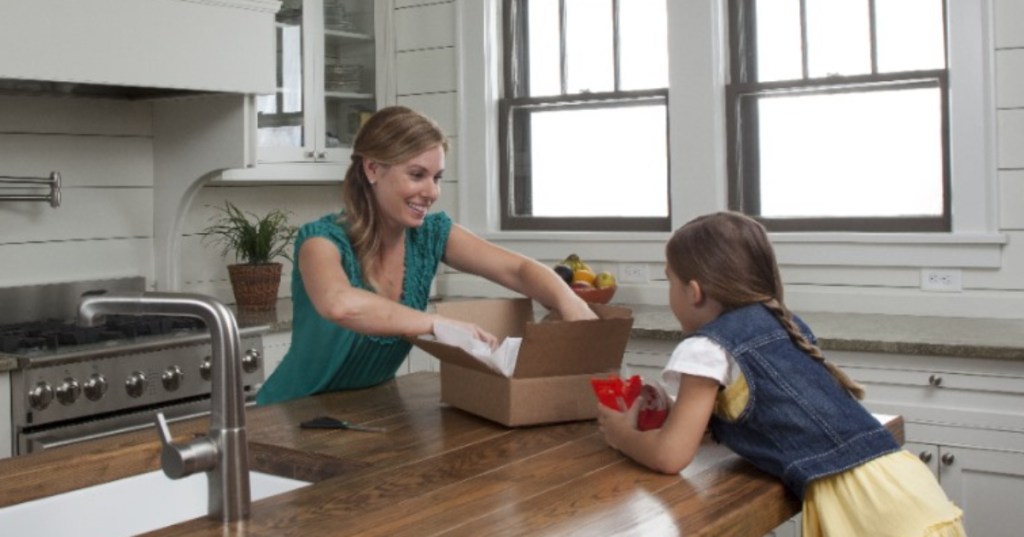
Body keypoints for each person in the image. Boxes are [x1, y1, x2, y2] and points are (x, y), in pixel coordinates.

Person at [597, 211, 965, 537]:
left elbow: (670, 456)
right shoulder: (779, 322)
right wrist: (673, 406)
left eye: (669, 281)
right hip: (907, 489)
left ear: (693, 292)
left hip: (867, 514)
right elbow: (764, 406)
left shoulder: (704, 348)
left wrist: (619, 433)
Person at [257, 106, 597, 405]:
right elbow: (340, 303)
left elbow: (519, 270)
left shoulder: (431, 235)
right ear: (373, 169)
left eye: (437, 178)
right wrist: (437, 323)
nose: (432, 192)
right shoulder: (321, 241)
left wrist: (570, 303)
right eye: (417, 175)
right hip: (290, 412)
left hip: (367, 412)